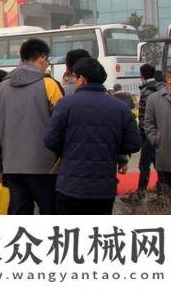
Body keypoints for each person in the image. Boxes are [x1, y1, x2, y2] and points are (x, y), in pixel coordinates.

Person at [44, 58, 141, 214]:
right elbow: (134, 144)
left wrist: (68, 148)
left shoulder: (65, 105)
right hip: (104, 186)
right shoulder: (120, 107)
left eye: (74, 77)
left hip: (70, 184)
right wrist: (112, 147)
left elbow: (50, 140)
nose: (72, 81)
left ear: (82, 78)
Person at [0, 38, 64, 215]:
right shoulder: (49, 84)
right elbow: (62, 124)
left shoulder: (0, 88)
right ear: (42, 59)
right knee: (50, 214)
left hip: (11, 167)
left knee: (19, 215)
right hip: (45, 167)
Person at [144, 68, 171, 193]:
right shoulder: (154, 99)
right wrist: (156, 140)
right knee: (166, 194)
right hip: (165, 153)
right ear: (168, 79)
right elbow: (148, 123)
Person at [137, 63, 161, 193]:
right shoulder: (158, 87)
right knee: (158, 163)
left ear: (142, 75)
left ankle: (141, 193)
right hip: (160, 132)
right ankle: (162, 189)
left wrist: (142, 133)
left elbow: (144, 116)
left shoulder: (147, 91)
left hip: (149, 134)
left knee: (144, 164)